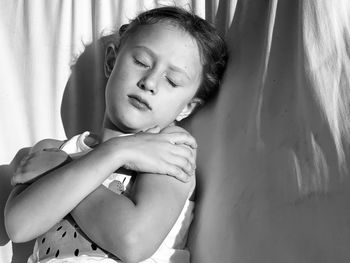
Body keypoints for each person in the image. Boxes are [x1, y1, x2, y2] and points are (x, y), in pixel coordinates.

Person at [4, 6, 228, 263]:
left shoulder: (169, 155)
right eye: (141, 62)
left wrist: (65, 167)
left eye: (173, 80)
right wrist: (114, 153)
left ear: (188, 106)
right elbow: (19, 226)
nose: (150, 82)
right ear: (112, 62)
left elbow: (132, 240)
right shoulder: (53, 149)